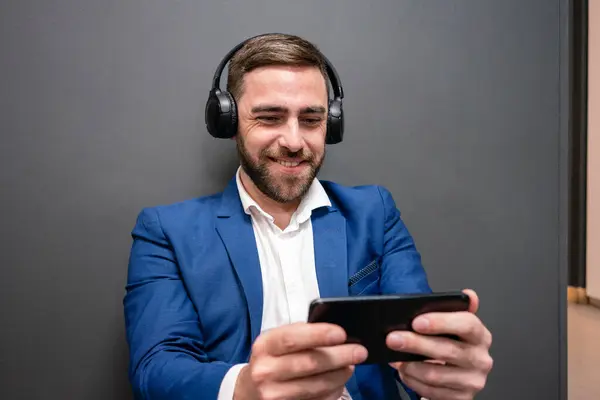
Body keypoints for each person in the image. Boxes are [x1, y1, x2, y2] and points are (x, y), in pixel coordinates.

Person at [123, 33, 493, 400]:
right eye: (270, 118)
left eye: (311, 119)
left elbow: (415, 343)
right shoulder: (166, 231)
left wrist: (441, 377)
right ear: (229, 121)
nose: (294, 141)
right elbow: (156, 367)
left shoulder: (374, 213)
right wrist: (246, 388)